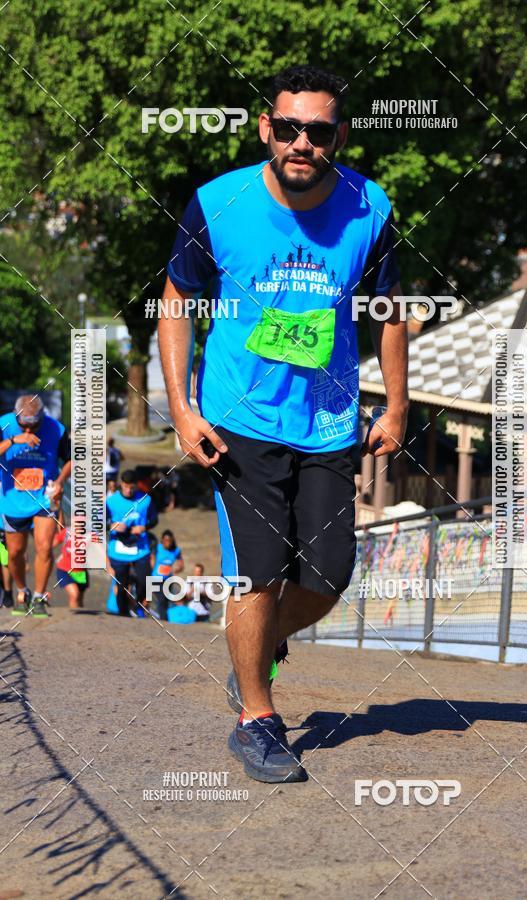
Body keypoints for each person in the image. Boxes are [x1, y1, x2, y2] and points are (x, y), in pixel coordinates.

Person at [158, 65, 408, 783]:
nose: (302, 142)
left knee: (328, 576)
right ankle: (256, 719)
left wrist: (395, 405)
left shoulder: (371, 206)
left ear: (339, 136)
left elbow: (388, 312)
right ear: (267, 127)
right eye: (289, 127)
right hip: (240, 415)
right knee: (258, 575)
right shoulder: (219, 202)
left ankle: (255, 644)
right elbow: (176, 300)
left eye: (319, 131)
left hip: (328, 420)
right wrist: (182, 408)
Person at [0, 395, 72, 616]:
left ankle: (39, 596)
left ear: (43, 418)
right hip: (13, 500)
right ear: (16, 417)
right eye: (24, 426)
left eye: (35, 426)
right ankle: (22, 590)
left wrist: (60, 482)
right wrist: (13, 440)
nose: (29, 431)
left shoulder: (56, 429)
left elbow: (71, 458)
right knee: (14, 553)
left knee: (44, 547)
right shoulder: (4, 425)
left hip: (44, 496)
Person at [106, 470, 158, 617]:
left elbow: (154, 520)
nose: (129, 490)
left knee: (145, 580)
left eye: (132, 487)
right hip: (118, 547)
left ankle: (139, 604)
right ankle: (123, 615)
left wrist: (144, 527)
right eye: (126, 487)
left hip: (140, 547)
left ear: (136, 486)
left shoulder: (145, 500)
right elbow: (99, 522)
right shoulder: (111, 501)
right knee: (121, 584)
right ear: (121, 484)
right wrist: (113, 525)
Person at [53, 514, 88, 610]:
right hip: (65, 570)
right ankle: (74, 618)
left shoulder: (89, 536)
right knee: (74, 595)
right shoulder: (66, 532)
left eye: (82, 523)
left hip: (81, 571)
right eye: (77, 523)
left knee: (80, 599)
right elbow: (50, 545)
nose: (79, 526)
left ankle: (79, 621)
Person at [150, 529, 184, 620]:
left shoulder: (176, 550)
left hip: (168, 580)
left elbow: (181, 564)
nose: (167, 543)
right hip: (155, 578)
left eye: (169, 540)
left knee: (165, 600)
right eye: (165, 540)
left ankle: (163, 618)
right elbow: (152, 559)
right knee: (161, 598)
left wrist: (178, 569)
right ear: (162, 540)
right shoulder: (158, 548)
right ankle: (163, 620)